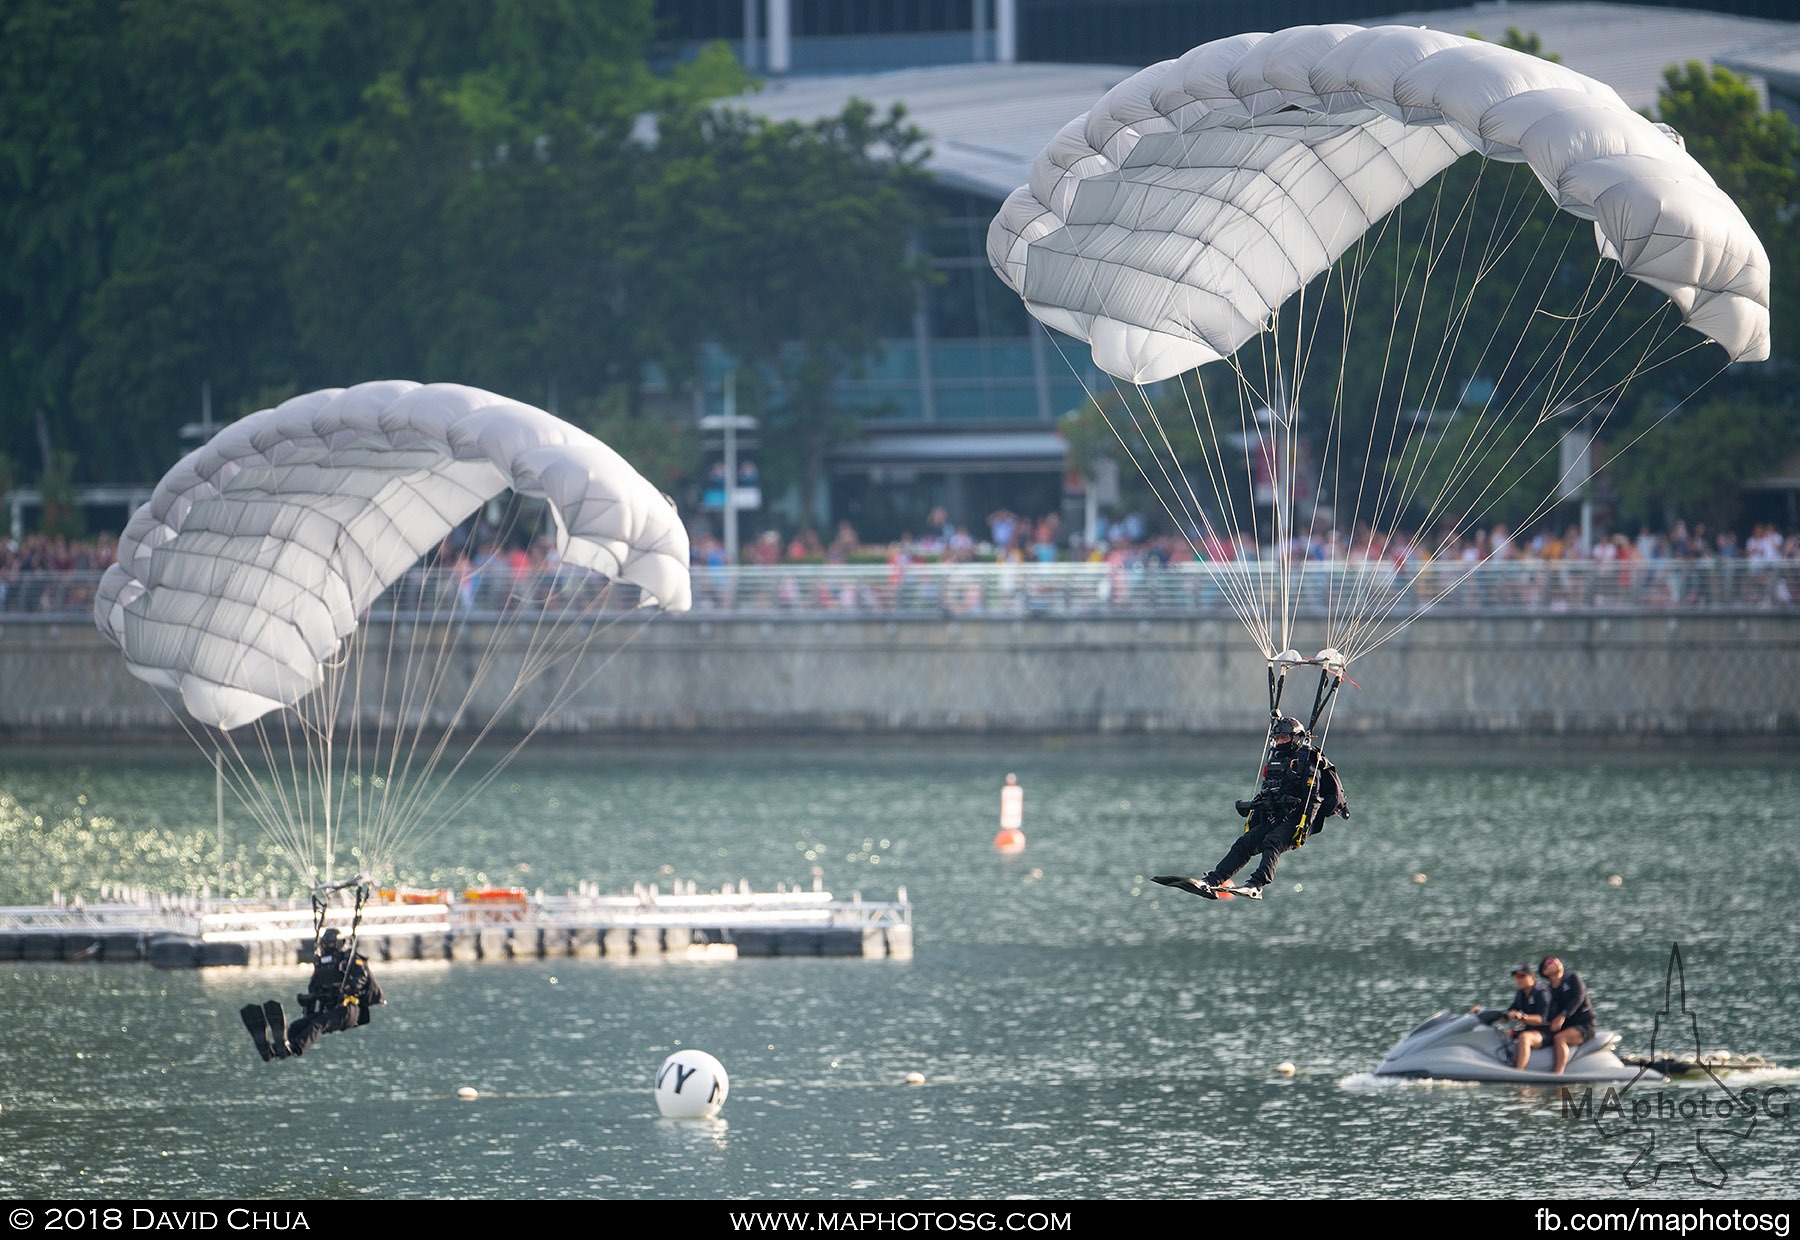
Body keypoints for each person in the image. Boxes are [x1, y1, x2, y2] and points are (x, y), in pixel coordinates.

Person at [1154, 714, 1349, 901]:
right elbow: (1268, 790)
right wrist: (1252, 807)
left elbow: (1313, 800)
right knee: (1244, 843)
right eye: (1277, 738)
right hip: (1276, 816)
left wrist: (1303, 825)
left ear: (1295, 738)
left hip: (1298, 821)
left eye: (1284, 737)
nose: (1280, 741)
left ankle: (1256, 885)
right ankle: (1211, 882)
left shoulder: (1307, 759)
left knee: (1272, 842)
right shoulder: (1274, 757)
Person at [239, 927, 385, 1061]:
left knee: (317, 1024)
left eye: (331, 943)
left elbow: (361, 979)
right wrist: (308, 998)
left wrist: (344, 989)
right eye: (326, 943)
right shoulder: (321, 965)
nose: (328, 947)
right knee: (296, 1026)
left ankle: (295, 1048)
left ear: (339, 944)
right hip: (330, 1009)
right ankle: (279, 1049)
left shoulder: (349, 960)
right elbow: (314, 988)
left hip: (347, 1010)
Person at [1470, 964, 1552, 1070]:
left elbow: (1541, 1020)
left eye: (1522, 976)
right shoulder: (1520, 994)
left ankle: (1519, 1072)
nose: (1518, 980)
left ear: (1532, 977)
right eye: (1516, 977)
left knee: (1524, 1038)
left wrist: (1522, 1017)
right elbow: (1507, 1015)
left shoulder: (1542, 993)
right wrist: (1483, 1011)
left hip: (1547, 1032)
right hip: (1530, 1029)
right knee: (1502, 1033)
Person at [1540, 955, 1598, 1074]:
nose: (1556, 961)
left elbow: (1579, 997)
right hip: (1567, 1027)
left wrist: (1563, 1015)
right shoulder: (1548, 991)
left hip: (1585, 1025)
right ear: (1545, 972)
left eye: (1556, 959)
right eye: (1551, 961)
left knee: (1559, 1038)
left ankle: (1558, 1074)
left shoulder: (1572, 978)